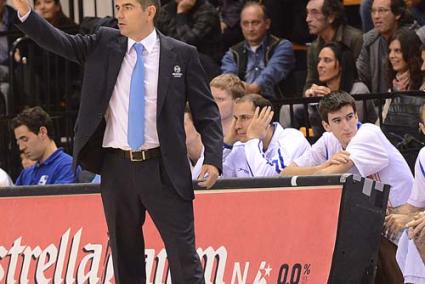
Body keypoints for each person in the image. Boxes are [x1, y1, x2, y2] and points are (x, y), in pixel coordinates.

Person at [13, 1, 223, 283]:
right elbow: (60, 42)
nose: (118, 14)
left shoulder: (181, 54)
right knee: (126, 260)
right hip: (116, 168)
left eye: (127, 7)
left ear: (149, 12)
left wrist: (213, 158)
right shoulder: (104, 43)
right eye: (118, 6)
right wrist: (26, 12)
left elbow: (207, 111)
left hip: (164, 167)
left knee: (184, 259)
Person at [281, 91, 413, 284]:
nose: (346, 126)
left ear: (356, 116)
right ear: (326, 126)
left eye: (349, 117)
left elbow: (328, 175)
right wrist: (323, 165)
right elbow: (287, 173)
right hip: (379, 222)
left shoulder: (368, 133)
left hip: (406, 219)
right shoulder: (328, 141)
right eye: (337, 121)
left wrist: (326, 169)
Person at [283, 42, 376, 135]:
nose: (320, 65)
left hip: (359, 142)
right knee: (287, 108)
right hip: (329, 141)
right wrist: (311, 102)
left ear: (341, 65)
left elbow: (351, 128)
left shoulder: (359, 89)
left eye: (327, 60)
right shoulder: (320, 90)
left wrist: (332, 101)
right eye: (319, 60)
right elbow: (318, 132)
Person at [221, 1, 295, 100]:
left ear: (267, 23)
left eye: (255, 22)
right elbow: (228, 81)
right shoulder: (232, 53)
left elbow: (270, 74)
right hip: (243, 106)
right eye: (245, 23)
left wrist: (249, 88)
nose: (250, 28)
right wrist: (237, 88)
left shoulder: (282, 46)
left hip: (277, 104)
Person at [223, 94, 310, 177]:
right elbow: (211, 180)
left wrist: (253, 139)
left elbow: (269, 180)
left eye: (244, 118)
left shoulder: (292, 138)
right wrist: (227, 144)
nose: (237, 126)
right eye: (236, 118)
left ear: (265, 117)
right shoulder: (239, 146)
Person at [356, 0, 417, 94]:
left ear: (397, 14)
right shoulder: (368, 41)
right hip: (378, 104)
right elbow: (359, 76)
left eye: (382, 10)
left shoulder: (415, 37)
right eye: (373, 11)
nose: (376, 16)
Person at [304, 0, 363, 94]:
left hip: (351, 96)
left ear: (331, 17)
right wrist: (309, 93)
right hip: (323, 98)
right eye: (307, 13)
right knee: (289, 108)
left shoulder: (355, 39)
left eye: (314, 13)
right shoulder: (314, 47)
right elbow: (311, 81)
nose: (308, 19)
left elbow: (360, 78)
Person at [10, 106, 79, 185]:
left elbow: (59, 197)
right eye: (18, 142)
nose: (21, 147)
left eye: (25, 139)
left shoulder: (67, 166)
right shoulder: (26, 173)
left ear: (42, 132)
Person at [156, 0, 223, 79]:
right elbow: (157, 38)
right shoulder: (166, 10)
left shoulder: (207, 12)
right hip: (174, 61)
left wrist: (181, 14)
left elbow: (186, 43)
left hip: (203, 66)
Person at [383, 27, 425, 142]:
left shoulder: (423, 85)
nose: (391, 55)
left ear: (410, 53)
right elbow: (383, 119)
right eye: (390, 51)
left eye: (397, 51)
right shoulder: (393, 84)